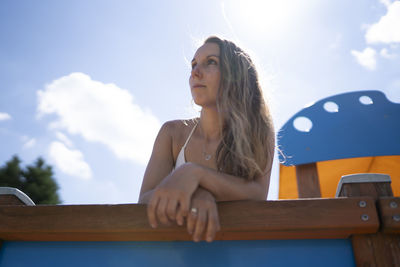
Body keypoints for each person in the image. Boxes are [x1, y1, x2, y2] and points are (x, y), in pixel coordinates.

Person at [138, 36, 275, 243]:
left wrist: (195, 174)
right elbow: (143, 201)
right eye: (193, 65)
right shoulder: (172, 134)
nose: (195, 72)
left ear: (234, 75)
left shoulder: (258, 130)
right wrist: (198, 194)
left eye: (210, 62)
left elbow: (257, 193)